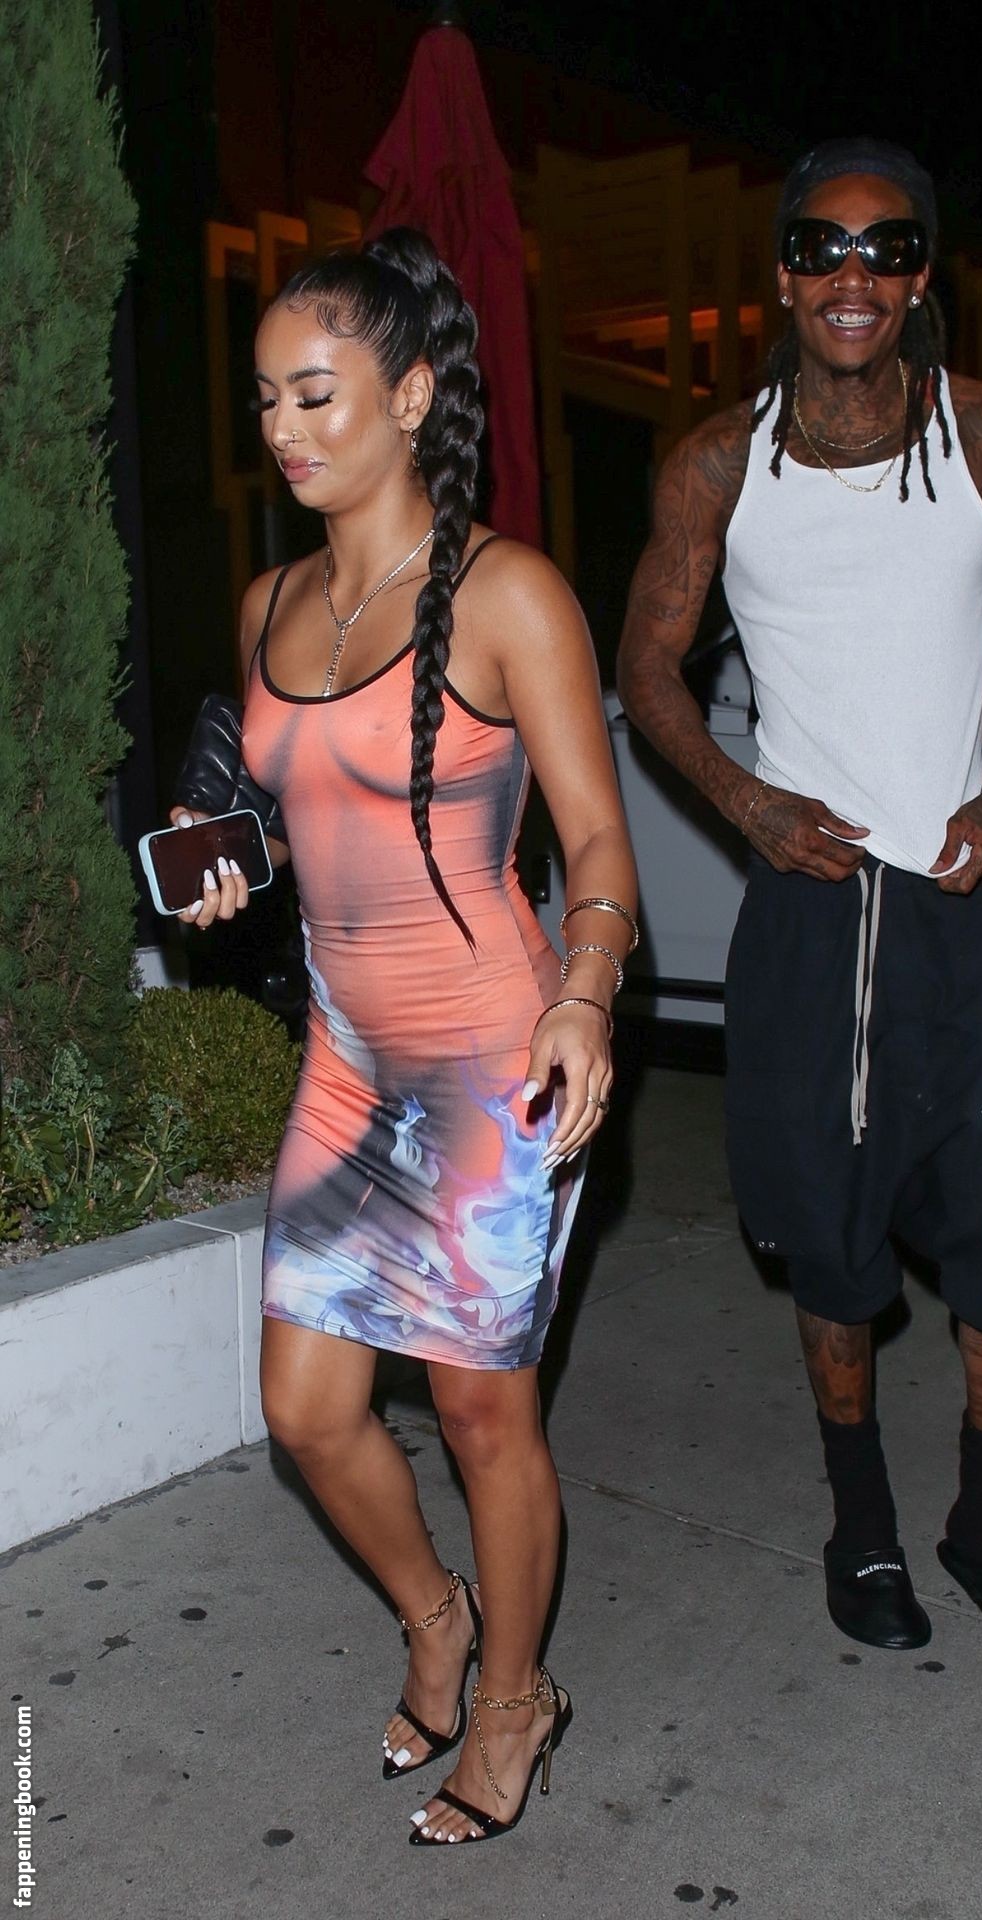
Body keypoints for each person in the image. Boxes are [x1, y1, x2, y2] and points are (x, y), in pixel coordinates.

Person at [174, 228, 636, 1844]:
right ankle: (438, 1616)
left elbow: (598, 841)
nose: (285, 429)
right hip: (348, 1064)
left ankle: (514, 1700)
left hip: (497, 1064)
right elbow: (297, 821)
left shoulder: (510, 595)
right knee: (308, 1411)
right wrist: (226, 858)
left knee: (484, 1415)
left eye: (317, 394)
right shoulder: (272, 602)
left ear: (414, 394)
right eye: (265, 400)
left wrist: (587, 994)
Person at [618, 139, 982, 1681]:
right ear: (782, 274)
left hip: (961, 907)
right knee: (830, 1243)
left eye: (885, 251)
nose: (852, 277)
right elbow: (645, 666)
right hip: (814, 911)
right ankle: (863, 1521)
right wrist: (748, 801)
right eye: (822, 248)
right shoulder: (717, 465)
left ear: (918, 278)